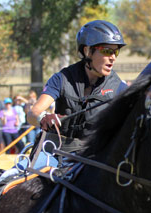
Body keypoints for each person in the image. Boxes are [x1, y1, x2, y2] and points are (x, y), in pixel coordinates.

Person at [26, 19, 128, 153]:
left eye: (116, 52)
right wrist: (43, 118)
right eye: (107, 51)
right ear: (87, 51)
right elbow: (33, 113)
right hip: (55, 152)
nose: (113, 57)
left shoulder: (119, 88)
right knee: (18, 174)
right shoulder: (61, 79)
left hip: (93, 156)